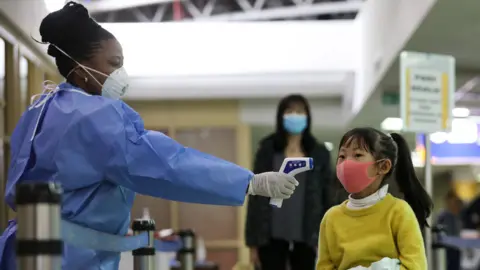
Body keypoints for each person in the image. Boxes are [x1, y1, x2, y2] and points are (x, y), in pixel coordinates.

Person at [0, 2, 300, 270]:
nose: (121, 73)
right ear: (80, 71)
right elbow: (165, 164)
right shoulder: (94, 116)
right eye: (114, 64)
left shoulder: (39, 110)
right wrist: (249, 182)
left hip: (24, 252)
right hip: (67, 259)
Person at [317, 127, 433, 270]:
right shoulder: (331, 218)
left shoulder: (398, 212)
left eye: (357, 155)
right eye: (342, 156)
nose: (346, 163)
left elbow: (416, 266)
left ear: (383, 166)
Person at [245, 94, 332, 270]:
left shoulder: (318, 153)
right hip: (269, 236)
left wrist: (326, 239)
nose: (295, 115)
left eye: (300, 111)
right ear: (280, 116)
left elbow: (327, 197)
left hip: (307, 237)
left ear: (307, 117)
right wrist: (253, 243)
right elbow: (255, 195)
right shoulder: (267, 150)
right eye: (290, 111)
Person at [436, 190, 463, 270]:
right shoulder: (443, 215)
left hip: (458, 247)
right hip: (447, 248)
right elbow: (438, 231)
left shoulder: (460, 214)